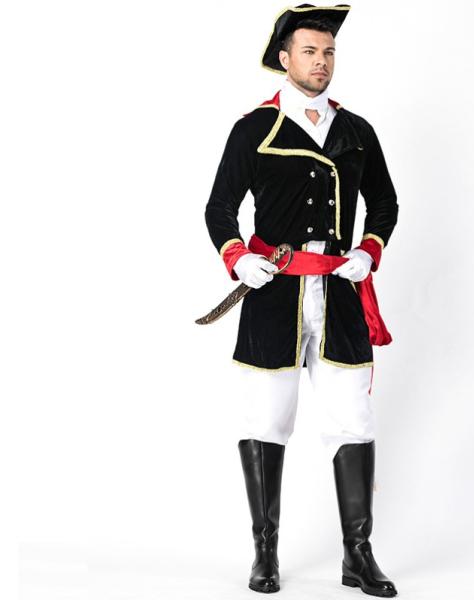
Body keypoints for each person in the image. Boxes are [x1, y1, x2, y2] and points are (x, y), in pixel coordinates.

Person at [204, 4, 399, 596]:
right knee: (266, 419)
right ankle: (264, 553)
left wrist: (369, 249)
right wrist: (239, 257)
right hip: (274, 295)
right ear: (285, 58)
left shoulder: (357, 130)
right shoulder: (254, 128)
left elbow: (385, 203)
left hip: (339, 294)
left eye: (329, 52)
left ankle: (357, 555)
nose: (322, 61)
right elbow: (219, 207)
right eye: (310, 51)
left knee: (353, 419)